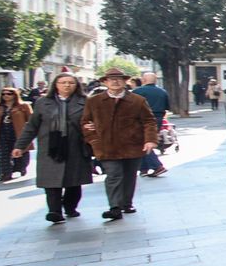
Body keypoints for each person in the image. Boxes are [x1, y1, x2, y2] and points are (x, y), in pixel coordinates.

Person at [13, 73, 93, 223]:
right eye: (63, 82)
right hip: (51, 147)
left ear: (77, 86)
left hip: (76, 146)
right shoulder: (43, 102)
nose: (67, 85)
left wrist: (91, 128)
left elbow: (95, 122)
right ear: (55, 85)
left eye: (71, 83)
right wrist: (20, 146)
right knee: (50, 181)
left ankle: (70, 207)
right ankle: (54, 211)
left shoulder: (86, 102)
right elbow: (32, 126)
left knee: (74, 182)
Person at [82, 68, 157, 221]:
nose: (115, 81)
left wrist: (150, 140)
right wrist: (94, 140)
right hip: (106, 146)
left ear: (125, 81)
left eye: (119, 79)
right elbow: (85, 122)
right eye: (111, 79)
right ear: (105, 82)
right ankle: (114, 206)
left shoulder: (137, 100)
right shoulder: (94, 101)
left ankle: (126, 203)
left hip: (132, 145)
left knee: (129, 175)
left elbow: (149, 121)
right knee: (113, 174)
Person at [132, 71, 170, 178]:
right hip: (158, 118)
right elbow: (167, 107)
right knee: (148, 141)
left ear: (143, 80)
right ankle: (144, 168)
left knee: (143, 142)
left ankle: (157, 166)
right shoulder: (162, 92)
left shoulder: (137, 91)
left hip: (141, 120)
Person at [0, 87, 33, 182]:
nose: (6, 96)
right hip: (2, 132)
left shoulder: (23, 106)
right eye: (3, 94)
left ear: (14, 95)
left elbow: (32, 120)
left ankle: (21, 167)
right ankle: (5, 173)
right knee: (3, 153)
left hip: (18, 132)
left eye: (9, 93)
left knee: (20, 151)